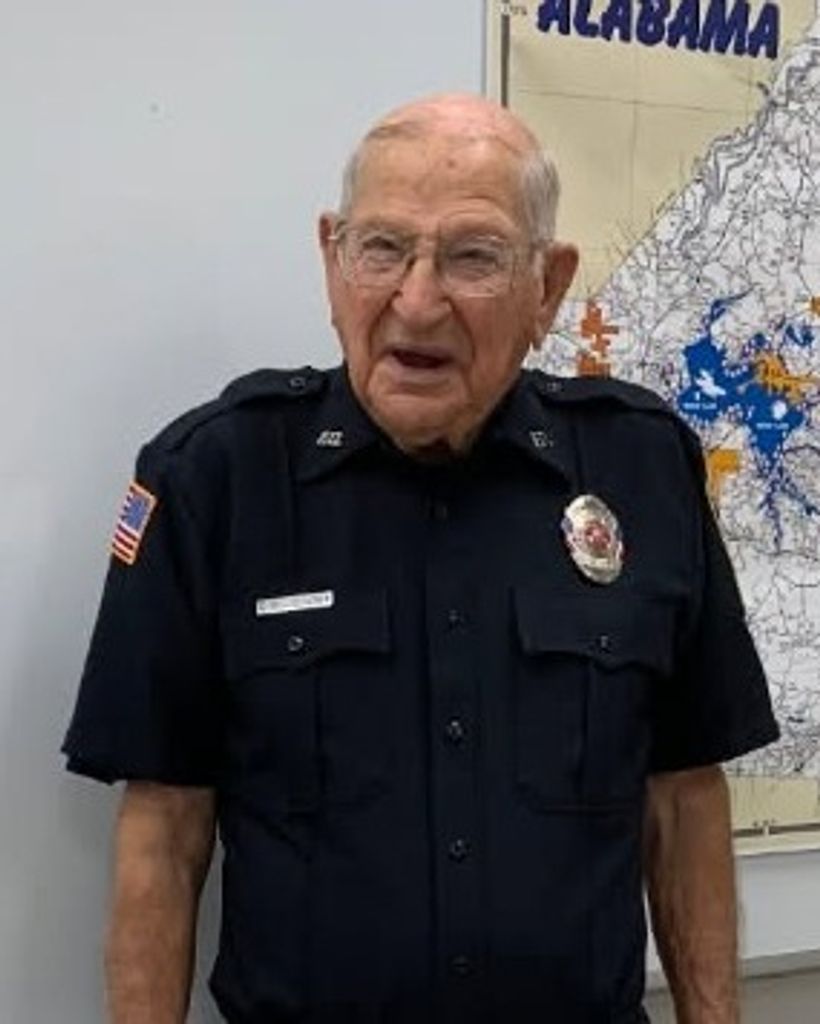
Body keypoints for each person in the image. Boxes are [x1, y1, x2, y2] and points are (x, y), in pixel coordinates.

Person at [63, 93, 778, 1024]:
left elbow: (683, 800)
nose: (416, 300)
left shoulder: (641, 466)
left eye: (473, 257)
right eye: (382, 249)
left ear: (547, 287)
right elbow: (164, 827)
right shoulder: (217, 477)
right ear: (332, 261)